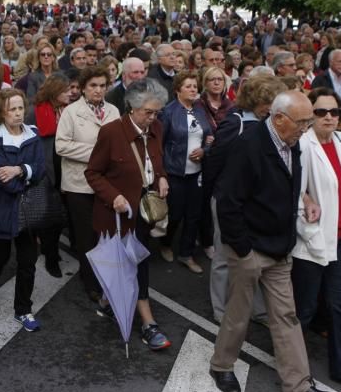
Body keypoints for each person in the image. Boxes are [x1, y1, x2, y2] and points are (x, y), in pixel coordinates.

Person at [208, 91, 338, 392]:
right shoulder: (248, 146)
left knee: (286, 317)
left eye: (309, 121)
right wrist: (242, 249)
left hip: (280, 248)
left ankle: (297, 386)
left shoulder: (293, 144)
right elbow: (228, 202)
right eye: (302, 122)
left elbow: (293, 189)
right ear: (278, 118)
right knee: (238, 314)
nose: (306, 128)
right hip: (250, 249)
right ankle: (221, 366)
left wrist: (291, 232)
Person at [291, 88, 341, 392]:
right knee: (305, 309)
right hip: (312, 241)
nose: (329, 118)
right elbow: (294, 188)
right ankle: (295, 369)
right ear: (311, 115)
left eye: (334, 112)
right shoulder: (303, 145)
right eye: (321, 112)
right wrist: (305, 205)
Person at [85, 79, 172, 350]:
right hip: (117, 217)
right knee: (133, 267)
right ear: (133, 108)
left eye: (157, 112)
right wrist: (114, 197)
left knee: (135, 263)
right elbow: (93, 173)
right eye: (148, 112)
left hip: (144, 214)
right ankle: (148, 324)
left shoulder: (156, 127)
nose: (153, 117)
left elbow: (155, 163)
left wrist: (162, 178)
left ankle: (106, 302)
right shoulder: (112, 132)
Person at [204, 74, 286, 322]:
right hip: (230, 200)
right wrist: (216, 194)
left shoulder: (270, 125)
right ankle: (221, 309)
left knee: (255, 257)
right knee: (223, 256)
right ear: (260, 102)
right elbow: (214, 163)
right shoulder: (235, 124)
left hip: (257, 202)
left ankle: (257, 308)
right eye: (272, 102)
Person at [0, 89, 47, 330]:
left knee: (27, 262)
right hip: (1, 209)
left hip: (28, 211)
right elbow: (2, 179)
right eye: (12, 109)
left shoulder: (33, 135)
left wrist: (19, 170)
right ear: (1, 112)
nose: (18, 113)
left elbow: (41, 169)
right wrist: (27, 175)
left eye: (20, 108)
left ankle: (23, 309)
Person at [55, 66, 120, 305]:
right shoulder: (71, 112)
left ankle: (104, 275)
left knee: (105, 232)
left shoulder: (113, 110)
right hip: (78, 183)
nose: (98, 90)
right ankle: (90, 282)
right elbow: (61, 146)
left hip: (106, 183)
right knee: (86, 236)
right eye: (93, 85)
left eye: (102, 85)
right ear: (83, 88)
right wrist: (98, 152)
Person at [158, 71, 212, 272]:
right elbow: (159, 145)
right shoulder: (168, 112)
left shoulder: (199, 110)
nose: (193, 89)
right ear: (177, 90)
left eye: (195, 86)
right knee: (175, 214)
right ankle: (165, 243)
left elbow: (209, 137)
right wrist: (161, 173)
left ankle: (186, 254)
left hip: (197, 173)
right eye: (188, 86)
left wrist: (205, 151)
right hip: (175, 172)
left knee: (194, 215)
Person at [29, 73, 73, 277]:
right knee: (51, 219)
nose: (70, 93)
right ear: (55, 93)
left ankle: (51, 249)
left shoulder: (69, 110)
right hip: (45, 172)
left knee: (62, 217)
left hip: (66, 171)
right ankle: (51, 257)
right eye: (65, 90)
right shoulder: (36, 112)